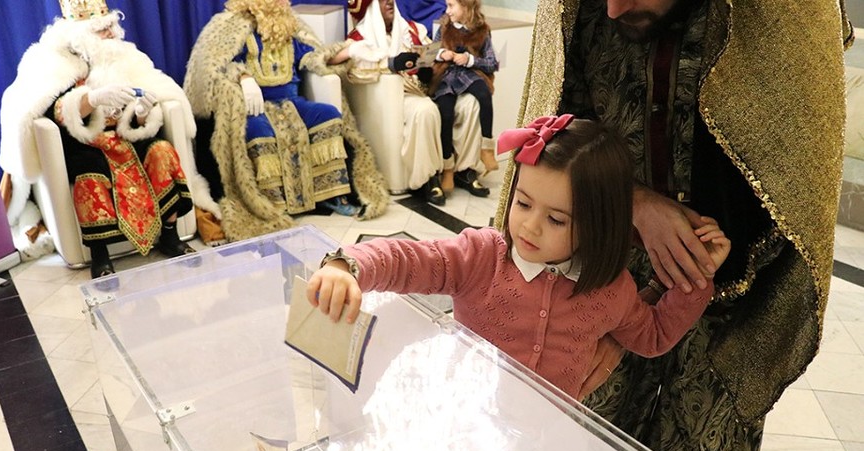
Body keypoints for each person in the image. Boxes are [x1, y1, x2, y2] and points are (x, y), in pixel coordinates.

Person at [493, 1, 853, 451]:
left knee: (699, 414)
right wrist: (634, 202)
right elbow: (559, 114)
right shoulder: (585, 8)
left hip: (728, 265)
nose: (613, 9)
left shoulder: (788, 12)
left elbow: (799, 149)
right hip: (604, 239)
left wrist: (720, 255)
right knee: (593, 399)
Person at [306, 116, 730, 400]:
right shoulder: (481, 257)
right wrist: (348, 266)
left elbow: (652, 335)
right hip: (464, 427)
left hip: (544, 450)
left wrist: (698, 275)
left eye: (556, 219)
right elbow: (408, 259)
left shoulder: (610, 290)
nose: (529, 227)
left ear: (597, 225)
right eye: (523, 203)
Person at [0, 0, 209, 278]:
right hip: (83, 142)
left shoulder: (124, 56)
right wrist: (92, 99)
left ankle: (170, 236)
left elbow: (140, 104)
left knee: (162, 150)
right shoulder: (50, 62)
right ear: (80, 35)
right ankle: (100, 255)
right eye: (102, 29)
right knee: (90, 173)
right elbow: (53, 112)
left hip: (125, 137)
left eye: (111, 25)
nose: (112, 33)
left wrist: (142, 113)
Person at [183, 0, 390, 244]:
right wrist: (243, 77)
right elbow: (215, 68)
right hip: (255, 106)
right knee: (261, 131)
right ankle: (272, 204)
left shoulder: (291, 25)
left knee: (328, 115)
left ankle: (329, 195)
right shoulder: (230, 25)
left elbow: (312, 56)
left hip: (292, 101)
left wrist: (349, 51)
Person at [328, 0, 488, 205]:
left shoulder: (412, 29)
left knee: (470, 103)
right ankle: (428, 178)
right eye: (382, 0)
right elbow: (354, 72)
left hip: (430, 88)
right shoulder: (359, 39)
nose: (389, 2)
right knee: (425, 110)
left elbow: (432, 52)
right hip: (398, 96)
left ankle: (465, 170)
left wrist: (432, 65)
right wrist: (391, 64)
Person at [431, 0, 499, 190]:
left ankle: (486, 148)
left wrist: (470, 60)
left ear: (466, 6)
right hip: (446, 77)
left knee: (484, 95)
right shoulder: (445, 27)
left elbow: (492, 63)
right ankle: (447, 168)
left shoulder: (482, 31)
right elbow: (431, 52)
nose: (447, 10)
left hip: (468, 75)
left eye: (451, 5)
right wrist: (441, 54)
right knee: (446, 114)